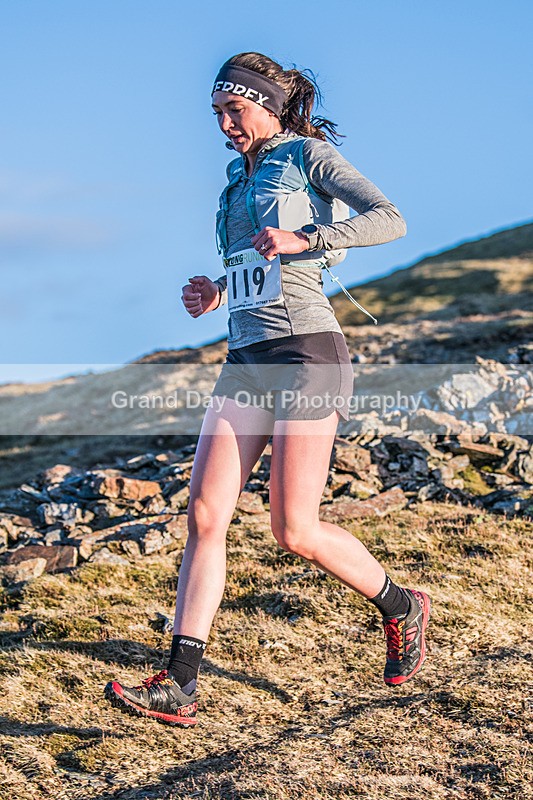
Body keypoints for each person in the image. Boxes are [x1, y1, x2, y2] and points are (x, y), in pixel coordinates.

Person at [104, 52, 431, 728]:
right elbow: (255, 263)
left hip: (307, 352)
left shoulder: (308, 157)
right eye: (217, 114)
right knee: (203, 513)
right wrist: (215, 290)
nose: (225, 125)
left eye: (235, 110)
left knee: (293, 528)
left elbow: (389, 218)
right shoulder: (233, 181)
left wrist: (307, 235)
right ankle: (181, 683)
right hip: (244, 356)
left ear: (268, 105)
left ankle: (402, 605)